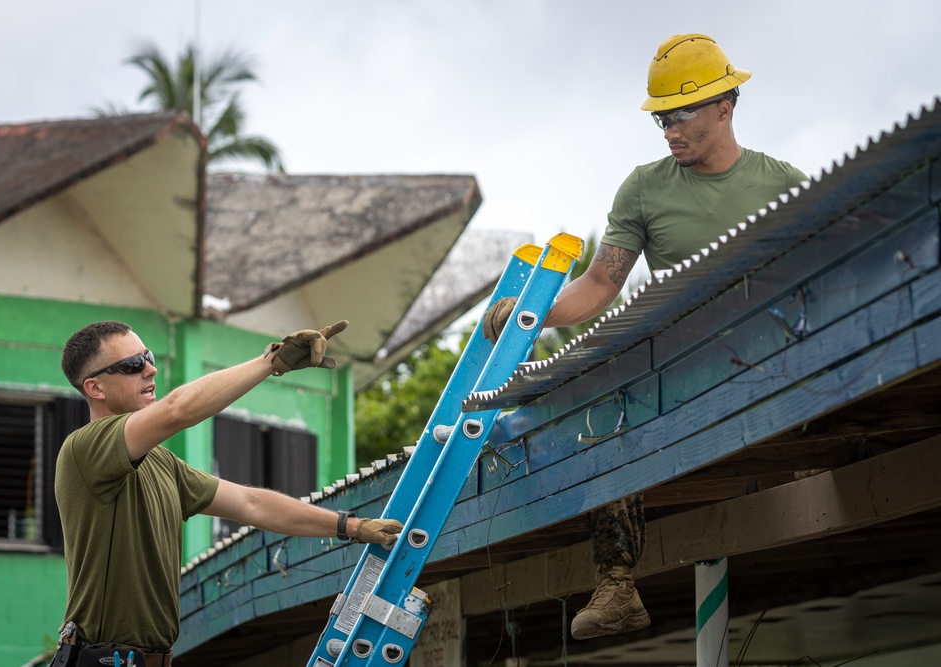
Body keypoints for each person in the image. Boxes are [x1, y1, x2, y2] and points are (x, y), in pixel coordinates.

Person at [483, 33, 807, 640]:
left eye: (681, 116)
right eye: (661, 120)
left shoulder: (783, 182)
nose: (670, 133)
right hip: (688, 363)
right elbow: (602, 282)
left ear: (725, 106)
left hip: (773, 357)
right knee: (603, 414)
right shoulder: (644, 187)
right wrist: (531, 314)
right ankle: (617, 584)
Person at [54, 320, 403, 665]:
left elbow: (251, 503)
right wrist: (271, 362)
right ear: (95, 388)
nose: (149, 370)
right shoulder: (84, 449)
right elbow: (178, 409)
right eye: (131, 365)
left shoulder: (162, 464)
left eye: (148, 356)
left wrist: (352, 527)